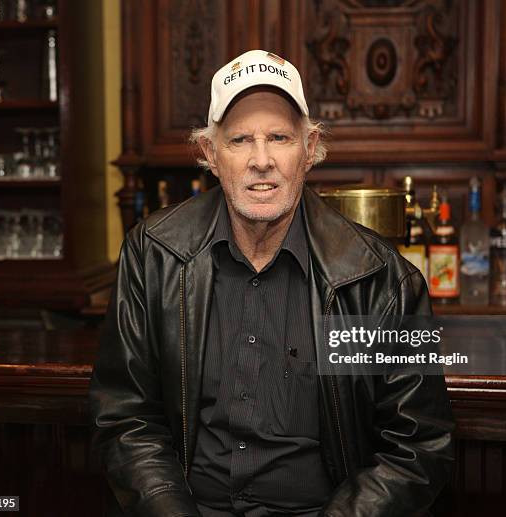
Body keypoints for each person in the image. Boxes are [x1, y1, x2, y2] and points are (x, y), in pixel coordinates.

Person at [89, 49, 454, 517]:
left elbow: (420, 445)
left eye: (279, 137)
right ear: (209, 154)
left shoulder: (381, 279)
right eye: (240, 139)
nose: (262, 161)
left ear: (309, 149)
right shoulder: (152, 254)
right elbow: (124, 418)